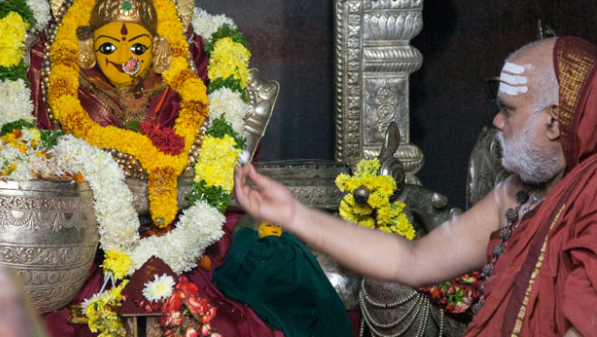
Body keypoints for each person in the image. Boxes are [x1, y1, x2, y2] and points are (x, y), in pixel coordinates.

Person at [234, 36, 597, 336]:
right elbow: (411, 260)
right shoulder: (520, 192)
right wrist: (294, 214)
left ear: (553, 121)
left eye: (509, 109)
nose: (497, 122)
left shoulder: (590, 194)